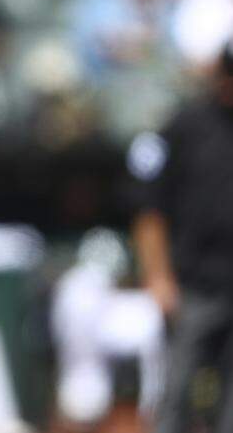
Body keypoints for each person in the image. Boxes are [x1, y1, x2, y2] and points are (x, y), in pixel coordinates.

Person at [131, 40, 233, 433]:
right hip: (194, 286)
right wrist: (158, 275)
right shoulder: (187, 126)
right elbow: (150, 209)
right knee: (176, 395)